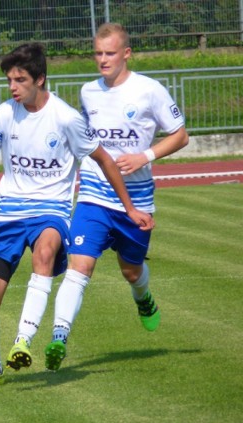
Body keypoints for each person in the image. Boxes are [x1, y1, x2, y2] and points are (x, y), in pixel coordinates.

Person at [0, 43, 154, 391]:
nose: (13, 87)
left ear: (40, 79)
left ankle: (22, 341)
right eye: (9, 79)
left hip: (50, 211)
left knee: (45, 253)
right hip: (8, 215)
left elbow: (104, 161)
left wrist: (130, 208)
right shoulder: (3, 115)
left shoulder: (67, 118)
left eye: (20, 79)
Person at [44, 23, 189, 371]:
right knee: (80, 265)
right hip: (94, 193)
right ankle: (59, 336)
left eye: (110, 53)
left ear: (126, 54)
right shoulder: (88, 91)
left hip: (137, 198)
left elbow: (181, 136)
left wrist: (145, 157)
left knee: (130, 270)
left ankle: (144, 299)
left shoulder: (149, 90)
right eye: (98, 53)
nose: (103, 60)